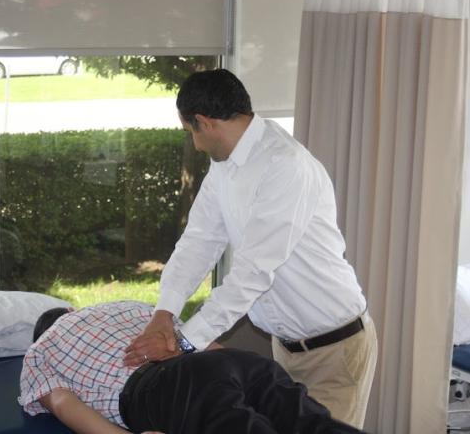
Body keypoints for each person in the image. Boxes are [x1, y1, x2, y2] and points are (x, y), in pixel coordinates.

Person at [123, 69, 378, 429]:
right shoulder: (225, 167)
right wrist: (164, 312)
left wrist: (186, 342)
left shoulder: (286, 165)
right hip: (285, 348)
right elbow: (198, 242)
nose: (195, 144)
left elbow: (253, 272)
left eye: (190, 132)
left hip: (334, 352)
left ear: (204, 122)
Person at [19, 300, 364, 434]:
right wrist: (237, 369)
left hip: (167, 387)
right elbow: (194, 341)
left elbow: (62, 403)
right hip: (230, 362)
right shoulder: (123, 305)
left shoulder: (39, 350)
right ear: (70, 309)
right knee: (309, 421)